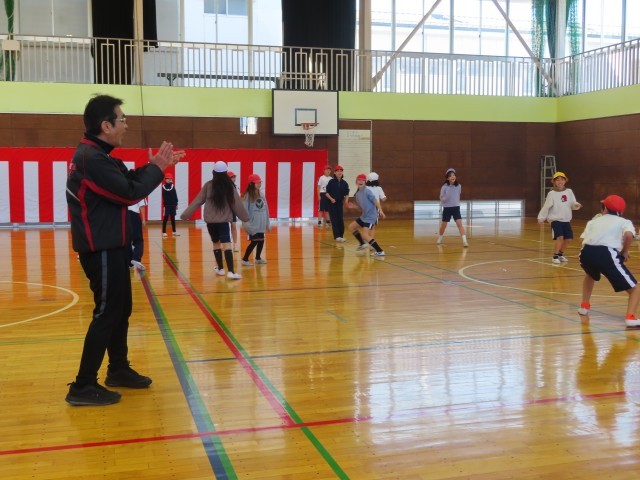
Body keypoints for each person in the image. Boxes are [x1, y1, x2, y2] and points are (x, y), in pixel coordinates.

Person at [65, 94, 185, 406]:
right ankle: (82, 386)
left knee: (120, 311)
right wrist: (158, 168)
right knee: (107, 313)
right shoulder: (91, 159)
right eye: (122, 119)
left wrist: (155, 166)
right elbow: (130, 192)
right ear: (106, 125)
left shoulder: (101, 156)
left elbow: (128, 179)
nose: (126, 125)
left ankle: (118, 369)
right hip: (102, 249)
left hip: (114, 246)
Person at [577, 195, 640, 328]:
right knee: (635, 289)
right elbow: (628, 235)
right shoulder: (625, 222)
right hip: (606, 254)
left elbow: (582, 240)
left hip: (585, 253)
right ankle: (631, 318)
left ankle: (584, 307)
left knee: (590, 275)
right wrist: (624, 251)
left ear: (604, 208)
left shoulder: (594, 221)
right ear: (621, 211)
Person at [180, 161, 249, 279]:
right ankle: (231, 272)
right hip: (223, 222)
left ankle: (221, 269)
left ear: (214, 173)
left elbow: (197, 201)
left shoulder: (208, 185)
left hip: (211, 222)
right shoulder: (229, 187)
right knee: (227, 244)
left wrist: (185, 215)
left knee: (216, 244)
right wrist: (245, 218)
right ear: (226, 173)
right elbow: (236, 204)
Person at [538, 171, 582, 264]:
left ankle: (560, 254)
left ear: (565, 181)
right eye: (557, 180)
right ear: (554, 182)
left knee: (568, 238)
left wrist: (576, 205)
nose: (560, 181)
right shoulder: (552, 193)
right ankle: (555, 256)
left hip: (566, 219)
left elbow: (573, 203)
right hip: (555, 219)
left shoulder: (569, 191)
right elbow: (546, 206)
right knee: (560, 237)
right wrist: (541, 218)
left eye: (562, 179)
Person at [347, 173, 386, 256]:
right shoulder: (358, 194)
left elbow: (375, 201)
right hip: (364, 216)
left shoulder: (367, 191)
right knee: (351, 227)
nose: (360, 182)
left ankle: (380, 251)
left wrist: (380, 210)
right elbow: (361, 207)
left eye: (362, 180)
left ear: (365, 182)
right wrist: (354, 206)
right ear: (356, 182)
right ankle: (362, 243)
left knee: (365, 235)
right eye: (359, 180)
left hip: (371, 216)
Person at [241, 174, 271, 266]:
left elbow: (266, 209)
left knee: (261, 240)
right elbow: (244, 211)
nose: (259, 184)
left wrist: (267, 223)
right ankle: (245, 259)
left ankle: (258, 258)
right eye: (257, 183)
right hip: (253, 225)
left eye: (259, 182)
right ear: (251, 184)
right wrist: (247, 225)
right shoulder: (247, 196)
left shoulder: (261, 194)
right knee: (254, 241)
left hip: (261, 224)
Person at [437, 168, 468, 247]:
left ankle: (465, 241)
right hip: (447, 208)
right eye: (450, 176)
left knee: (459, 224)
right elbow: (441, 198)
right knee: (444, 225)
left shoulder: (459, 186)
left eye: (453, 175)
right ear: (447, 178)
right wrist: (446, 197)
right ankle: (440, 238)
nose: (452, 177)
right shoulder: (444, 187)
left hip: (456, 208)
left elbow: (458, 195)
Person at [325, 165, 350, 242]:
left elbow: (347, 194)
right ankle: (337, 236)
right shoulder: (331, 182)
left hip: (340, 203)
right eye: (338, 171)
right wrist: (331, 199)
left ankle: (341, 235)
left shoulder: (344, 183)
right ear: (335, 173)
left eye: (341, 171)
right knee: (334, 219)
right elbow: (326, 193)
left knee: (340, 219)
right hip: (332, 203)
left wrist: (346, 201)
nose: (339, 172)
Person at [127, 198, 147, 271]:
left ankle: (130, 263)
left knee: (127, 240)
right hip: (134, 216)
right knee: (138, 240)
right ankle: (136, 258)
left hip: (124, 216)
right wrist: (143, 219)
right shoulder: (139, 192)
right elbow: (142, 205)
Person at [161, 174, 179, 238]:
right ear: (165, 180)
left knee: (173, 218)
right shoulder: (163, 187)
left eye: (170, 179)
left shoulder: (172, 186)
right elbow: (165, 194)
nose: (169, 180)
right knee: (165, 218)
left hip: (173, 205)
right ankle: (164, 232)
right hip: (167, 205)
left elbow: (175, 195)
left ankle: (174, 232)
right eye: (168, 179)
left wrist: (176, 204)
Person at [228, 170, 240, 251]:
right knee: (224, 227)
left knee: (233, 226)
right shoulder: (223, 187)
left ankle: (235, 244)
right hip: (224, 210)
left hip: (232, 209)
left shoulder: (236, 187)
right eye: (231, 177)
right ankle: (225, 243)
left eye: (234, 177)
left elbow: (238, 198)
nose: (233, 178)